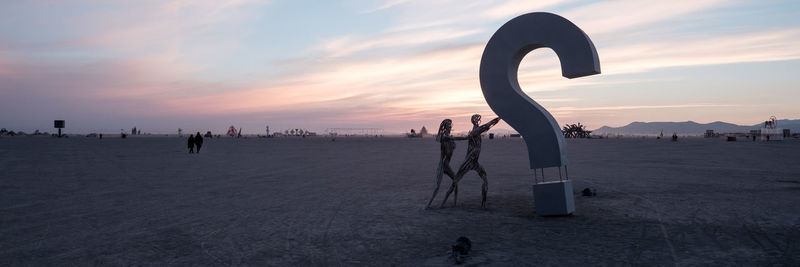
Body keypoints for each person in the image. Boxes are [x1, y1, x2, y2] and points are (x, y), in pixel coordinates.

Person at [441, 114, 501, 209]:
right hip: (468, 161)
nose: (478, 121)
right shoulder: (475, 131)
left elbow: (487, 126)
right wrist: (499, 118)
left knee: (485, 180)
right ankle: (443, 202)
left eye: (478, 119)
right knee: (455, 181)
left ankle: (483, 205)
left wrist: (498, 119)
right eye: (476, 119)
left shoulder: (475, 130)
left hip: (475, 161)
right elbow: (487, 126)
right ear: (474, 121)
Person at [426, 119, 465, 209]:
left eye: (451, 125)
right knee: (437, 187)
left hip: (447, 166)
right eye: (449, 125)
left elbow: (453, 142)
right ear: (445, 127)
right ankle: (428, 204)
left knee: (456, 182)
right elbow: (454, 139)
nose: (450, 127)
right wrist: (467, 137)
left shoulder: (449, 138)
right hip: (442, 166)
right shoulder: (444, 137)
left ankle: (454, 203)